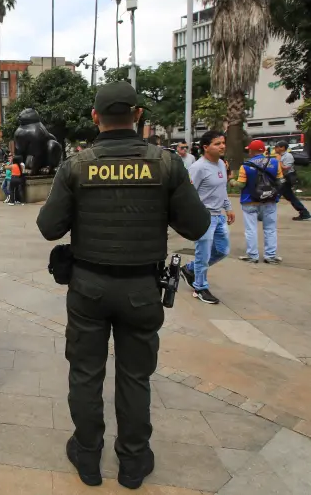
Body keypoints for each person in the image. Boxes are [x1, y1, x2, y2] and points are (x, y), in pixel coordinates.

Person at [36, 82, 210, 490]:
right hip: (141, 288)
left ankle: (87, 454)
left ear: (95, 117)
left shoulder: (77, 165)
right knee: (135, 376)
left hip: (88, 287)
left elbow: (49, 227)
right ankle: (133, 461)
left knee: (85, 373)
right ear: (138, 115)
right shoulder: (166, 164)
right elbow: (197, 225)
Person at [180, 131, 233, 305]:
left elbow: (222, 189)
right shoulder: (198, 168)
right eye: (217, 144)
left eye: (223, 143)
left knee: (222, 250)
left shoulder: (221, 164)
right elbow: (188, 194)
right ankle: (200, 287)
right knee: (203, 254)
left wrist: (228, 207)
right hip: (204, 217)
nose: (222, 146)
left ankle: (189, 269)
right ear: (206, 147)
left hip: (219, 216)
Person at [234, 140, 284, 264]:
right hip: (269, 200)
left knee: (251, 229)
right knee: (270, 229)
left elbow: (241, 184)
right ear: (264, 150)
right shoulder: (275, 162)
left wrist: (232, 182)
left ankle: (252, 255)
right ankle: (270, 256)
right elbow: (280, 181)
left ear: (251, 151)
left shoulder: (245, 166)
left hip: (250, 201)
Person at [275, 141, 310, 221]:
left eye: (277, 147)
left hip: (286, 179)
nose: (275, 149)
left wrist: (278, 161)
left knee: (274, 195)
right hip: (282, 179)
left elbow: (285, 168)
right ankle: (304, 213)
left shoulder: (288, 156)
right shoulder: (280, 156)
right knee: (290, 197)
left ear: (282, 148)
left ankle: (264, 214)